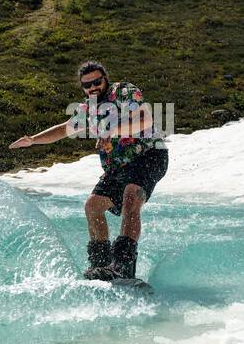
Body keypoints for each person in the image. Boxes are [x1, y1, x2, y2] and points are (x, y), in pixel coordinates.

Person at [10, 61, 168, 281]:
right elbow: (64, 129)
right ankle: (101, 266)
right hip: (117, 166)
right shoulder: (88, 109)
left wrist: (111, 129)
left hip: (148, 157)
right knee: (93, 206)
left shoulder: (123, 92)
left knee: (131, 197)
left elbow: (145, 119)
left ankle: (122, 264)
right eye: (87, 85)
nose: (93, 87)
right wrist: (33, 140)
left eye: (97, 82)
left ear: (105, 79)